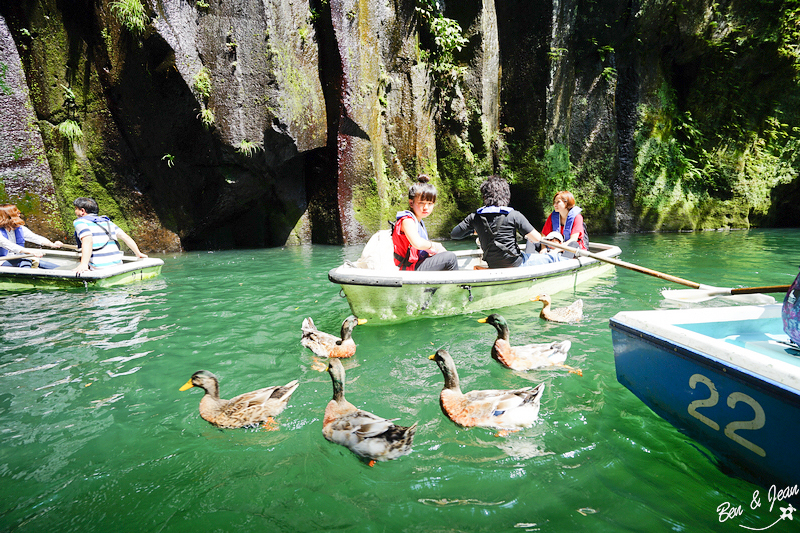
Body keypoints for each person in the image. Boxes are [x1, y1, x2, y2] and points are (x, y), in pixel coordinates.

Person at [450, 175, 548, 268]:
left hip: (493, 264)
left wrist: (474, 230)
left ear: (485, 197)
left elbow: (455, 234)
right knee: (553, 258)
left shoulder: (474, 217)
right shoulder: (514, 215)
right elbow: (537, 238)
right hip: (515, 263)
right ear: (506, 196)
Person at [392, 175, 458, 271]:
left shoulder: (419, 221)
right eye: (421, 203)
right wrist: (434, 246)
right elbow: (417, 243)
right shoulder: (407, 220)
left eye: (430, 203)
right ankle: (457, 285)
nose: (426, 207)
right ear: (411, 203)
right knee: (450, 258)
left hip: (415, 265)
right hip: (407, 268)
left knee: (443, 255)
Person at [72, 197, 147, 273]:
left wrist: (83, 264)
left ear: (82, 211)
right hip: (118, 266)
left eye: (76, 209)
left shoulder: (80, 222)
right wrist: (138, 253)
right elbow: (125, 237)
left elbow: (88, 241)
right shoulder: (108, 222)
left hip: (99, 269)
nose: (75, 211)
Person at [0, 203, 62, 269]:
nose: (19, 214)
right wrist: (30, 252)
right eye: (16, 212)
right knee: (26, 262)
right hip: (2, 260)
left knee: (52, 266)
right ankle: (26, 278)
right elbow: (9, 245)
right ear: (8, 215)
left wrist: (51, 244)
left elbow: (35, 237)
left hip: (20, 259)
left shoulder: (19, 228)